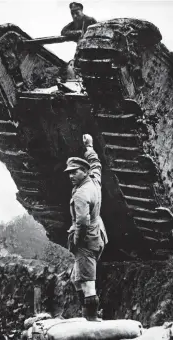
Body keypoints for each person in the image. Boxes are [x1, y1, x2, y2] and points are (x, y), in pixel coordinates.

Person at [64, 134, 108, 321]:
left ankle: (91, 320)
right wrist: (89, 147)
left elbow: (82, 221)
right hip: (97, 234)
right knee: (76, 278)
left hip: (86, 241)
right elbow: (96, 164)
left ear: (83, 171)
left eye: (74, 172)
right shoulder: (94, 181)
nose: (71, 176)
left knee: (87, 283)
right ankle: (89, 314)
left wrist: (76, 241)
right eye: (69, 173)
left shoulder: (82, 193)